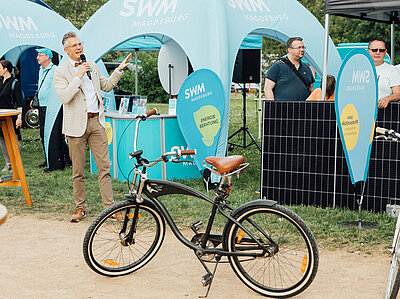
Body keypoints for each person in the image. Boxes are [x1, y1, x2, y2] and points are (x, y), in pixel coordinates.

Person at [53, 32, 132, 222]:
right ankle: (80, 208)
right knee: (78, 171)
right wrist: (78, 76)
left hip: (96, 122)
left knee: (104, 168)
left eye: (80, 44)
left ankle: (110, 208)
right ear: (66, 50)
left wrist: (119, 70)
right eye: (74, 45)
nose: (79, 47)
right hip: (75, 127)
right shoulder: (61, 71)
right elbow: (64, 97)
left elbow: (106, 86)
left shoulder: (93, 65)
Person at [264, 37, 314, 101]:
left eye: (303, 47)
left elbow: (312, 90)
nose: (302, 50)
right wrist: (273, 108)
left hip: (302, 109)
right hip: (282, 109)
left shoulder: (307, 68)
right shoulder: (277, 67)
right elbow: (267, 89)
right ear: (289, 50)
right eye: (299, 47)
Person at [32, 48, 54, 169]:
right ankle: (47, 158)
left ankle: (64, 158)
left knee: (54, 133)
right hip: (41, 105)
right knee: (43, 133)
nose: (37, 58)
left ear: (47, 57)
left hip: (50, 106)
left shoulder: (54, 70)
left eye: (40, 55)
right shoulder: (41, 70)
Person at [0, 60, 23, 172]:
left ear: (5, 69)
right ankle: (8, 163)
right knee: (2, 139)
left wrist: (19, 118)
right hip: (1, 116)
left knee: (13, 138)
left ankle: (17, 162)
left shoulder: (15, 83)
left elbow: (19, 103)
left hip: (11, 116)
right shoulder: (0, 81)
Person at [367, 38, 400, 109]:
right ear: (368, 51)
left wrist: (387, 99)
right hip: (361, 112)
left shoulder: (392, 70)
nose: (378, 53)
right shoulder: (359, 69)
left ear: (385, 53)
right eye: (374, 50)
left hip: (384, 113)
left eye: (381, 50)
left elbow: (398, 93)